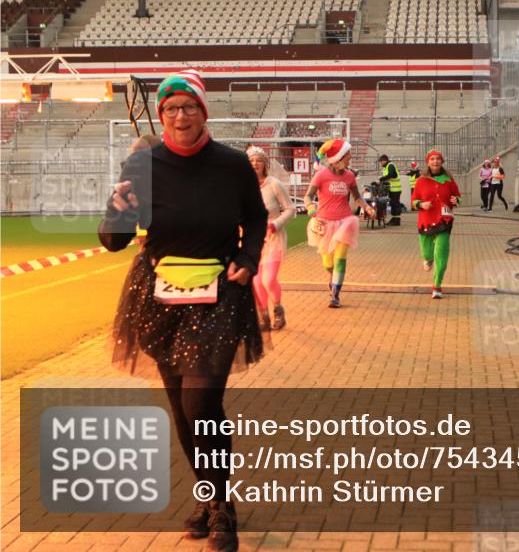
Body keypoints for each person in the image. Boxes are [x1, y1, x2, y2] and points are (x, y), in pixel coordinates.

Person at [98, 69, 267, 552]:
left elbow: (254, 219)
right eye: (171, 108)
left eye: (188, 106)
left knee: (201, 404)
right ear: (163, 115)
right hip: (159, 296)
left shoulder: (232, 165)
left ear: (202, 111)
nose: (179, 116)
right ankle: (210, 495)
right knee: (179, 408)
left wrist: (248, 257)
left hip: (218, 294)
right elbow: (114, 241)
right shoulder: (142, 165)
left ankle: (220, 509)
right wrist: (118, 209)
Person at [305, 139, 375, 308]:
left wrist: (366, 208)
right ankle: (332, 276)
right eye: (348, 155)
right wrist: (311, 210)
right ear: (338, 158)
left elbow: (357, 197)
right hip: (324, 222)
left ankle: (335, 295)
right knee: (328, 263)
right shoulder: (321, 175)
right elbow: (308, 196)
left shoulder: (350, 176)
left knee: (340, 258)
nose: (350, 158)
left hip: (345, 222)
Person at [247, 147, 295, 331]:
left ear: (265, 163)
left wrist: (277, 223)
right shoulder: (243, 186)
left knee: (268, 279)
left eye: (259, 160)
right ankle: (263, 316)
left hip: (273, 237)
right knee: (256, 281)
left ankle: (277, 309)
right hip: (253, 240)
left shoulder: (274, 184)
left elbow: (290, 209)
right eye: (251, 161)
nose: (255, 164)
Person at [411, 150, 461, 299]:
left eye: (438, 159)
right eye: (432, 159)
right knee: (427, 253)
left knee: (441, 254)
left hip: (444, 221)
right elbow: (413, 202)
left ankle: (437, 286)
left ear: (442, 161)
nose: (435, 161)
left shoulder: (448, 180)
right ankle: (428, 259)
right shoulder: (421, 181)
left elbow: (458, 197)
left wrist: (456, 201)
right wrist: (420, 204)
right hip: (425, 221)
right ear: (428, 162)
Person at [378, 154, 402, 226]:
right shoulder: (386, 167)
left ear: (385, 160)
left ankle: (396, 220)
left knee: (395, 204)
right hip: (392, 189)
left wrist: (381, 178)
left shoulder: (390, 165)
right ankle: (394, 219)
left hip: (395, 189)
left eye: (381, 161)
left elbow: (391, 175)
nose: (381, 163)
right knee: (393, 204)